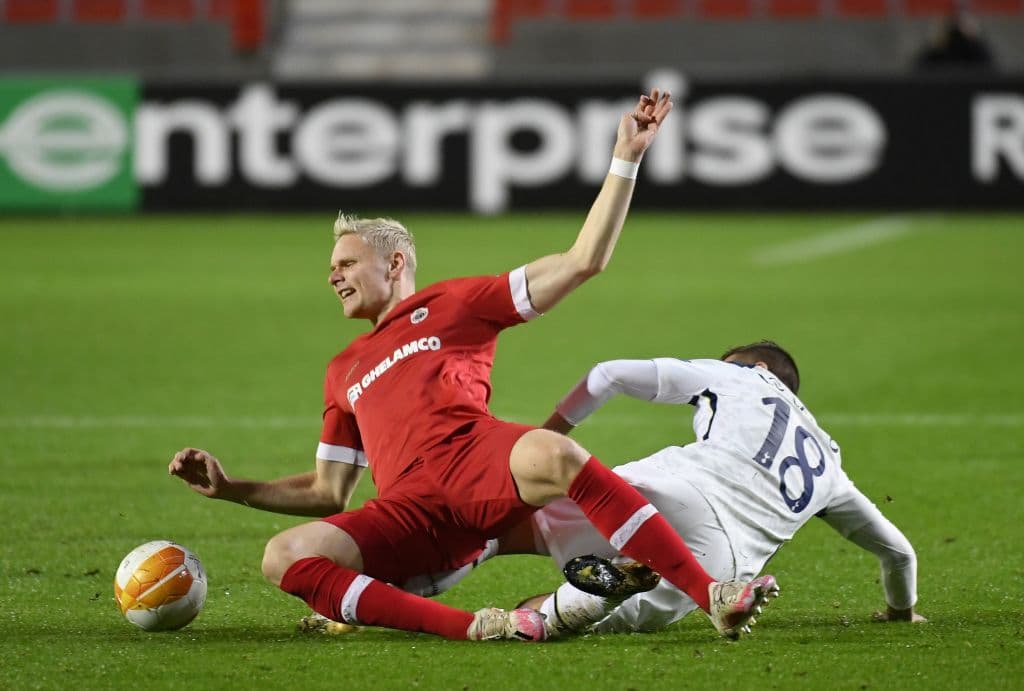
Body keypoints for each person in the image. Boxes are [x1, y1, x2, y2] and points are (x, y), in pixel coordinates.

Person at [168, 89, 775, 642]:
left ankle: (712, 595)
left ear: (395, 261)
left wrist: (626, 158)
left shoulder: (452, 303)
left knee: (554, 453)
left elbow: (582, 260)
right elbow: (328, 489)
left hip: (477, 463)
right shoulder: (343, 369)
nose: (334, 275)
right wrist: (232, 490)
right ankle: (479, 627)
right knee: (283, 556)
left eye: (347, 263)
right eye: (333, 268)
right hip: (409, 511)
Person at [503, 341, 923, 635]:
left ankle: (440, 572)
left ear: (757, 368)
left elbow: (608, 374)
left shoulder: (743, 377)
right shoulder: (830, 465)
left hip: (671, 488)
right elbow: (898, 552)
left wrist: (545, 438)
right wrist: (900, 613)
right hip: (721, 564)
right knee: (564, 617)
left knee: (518, 521)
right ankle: (550, 612)